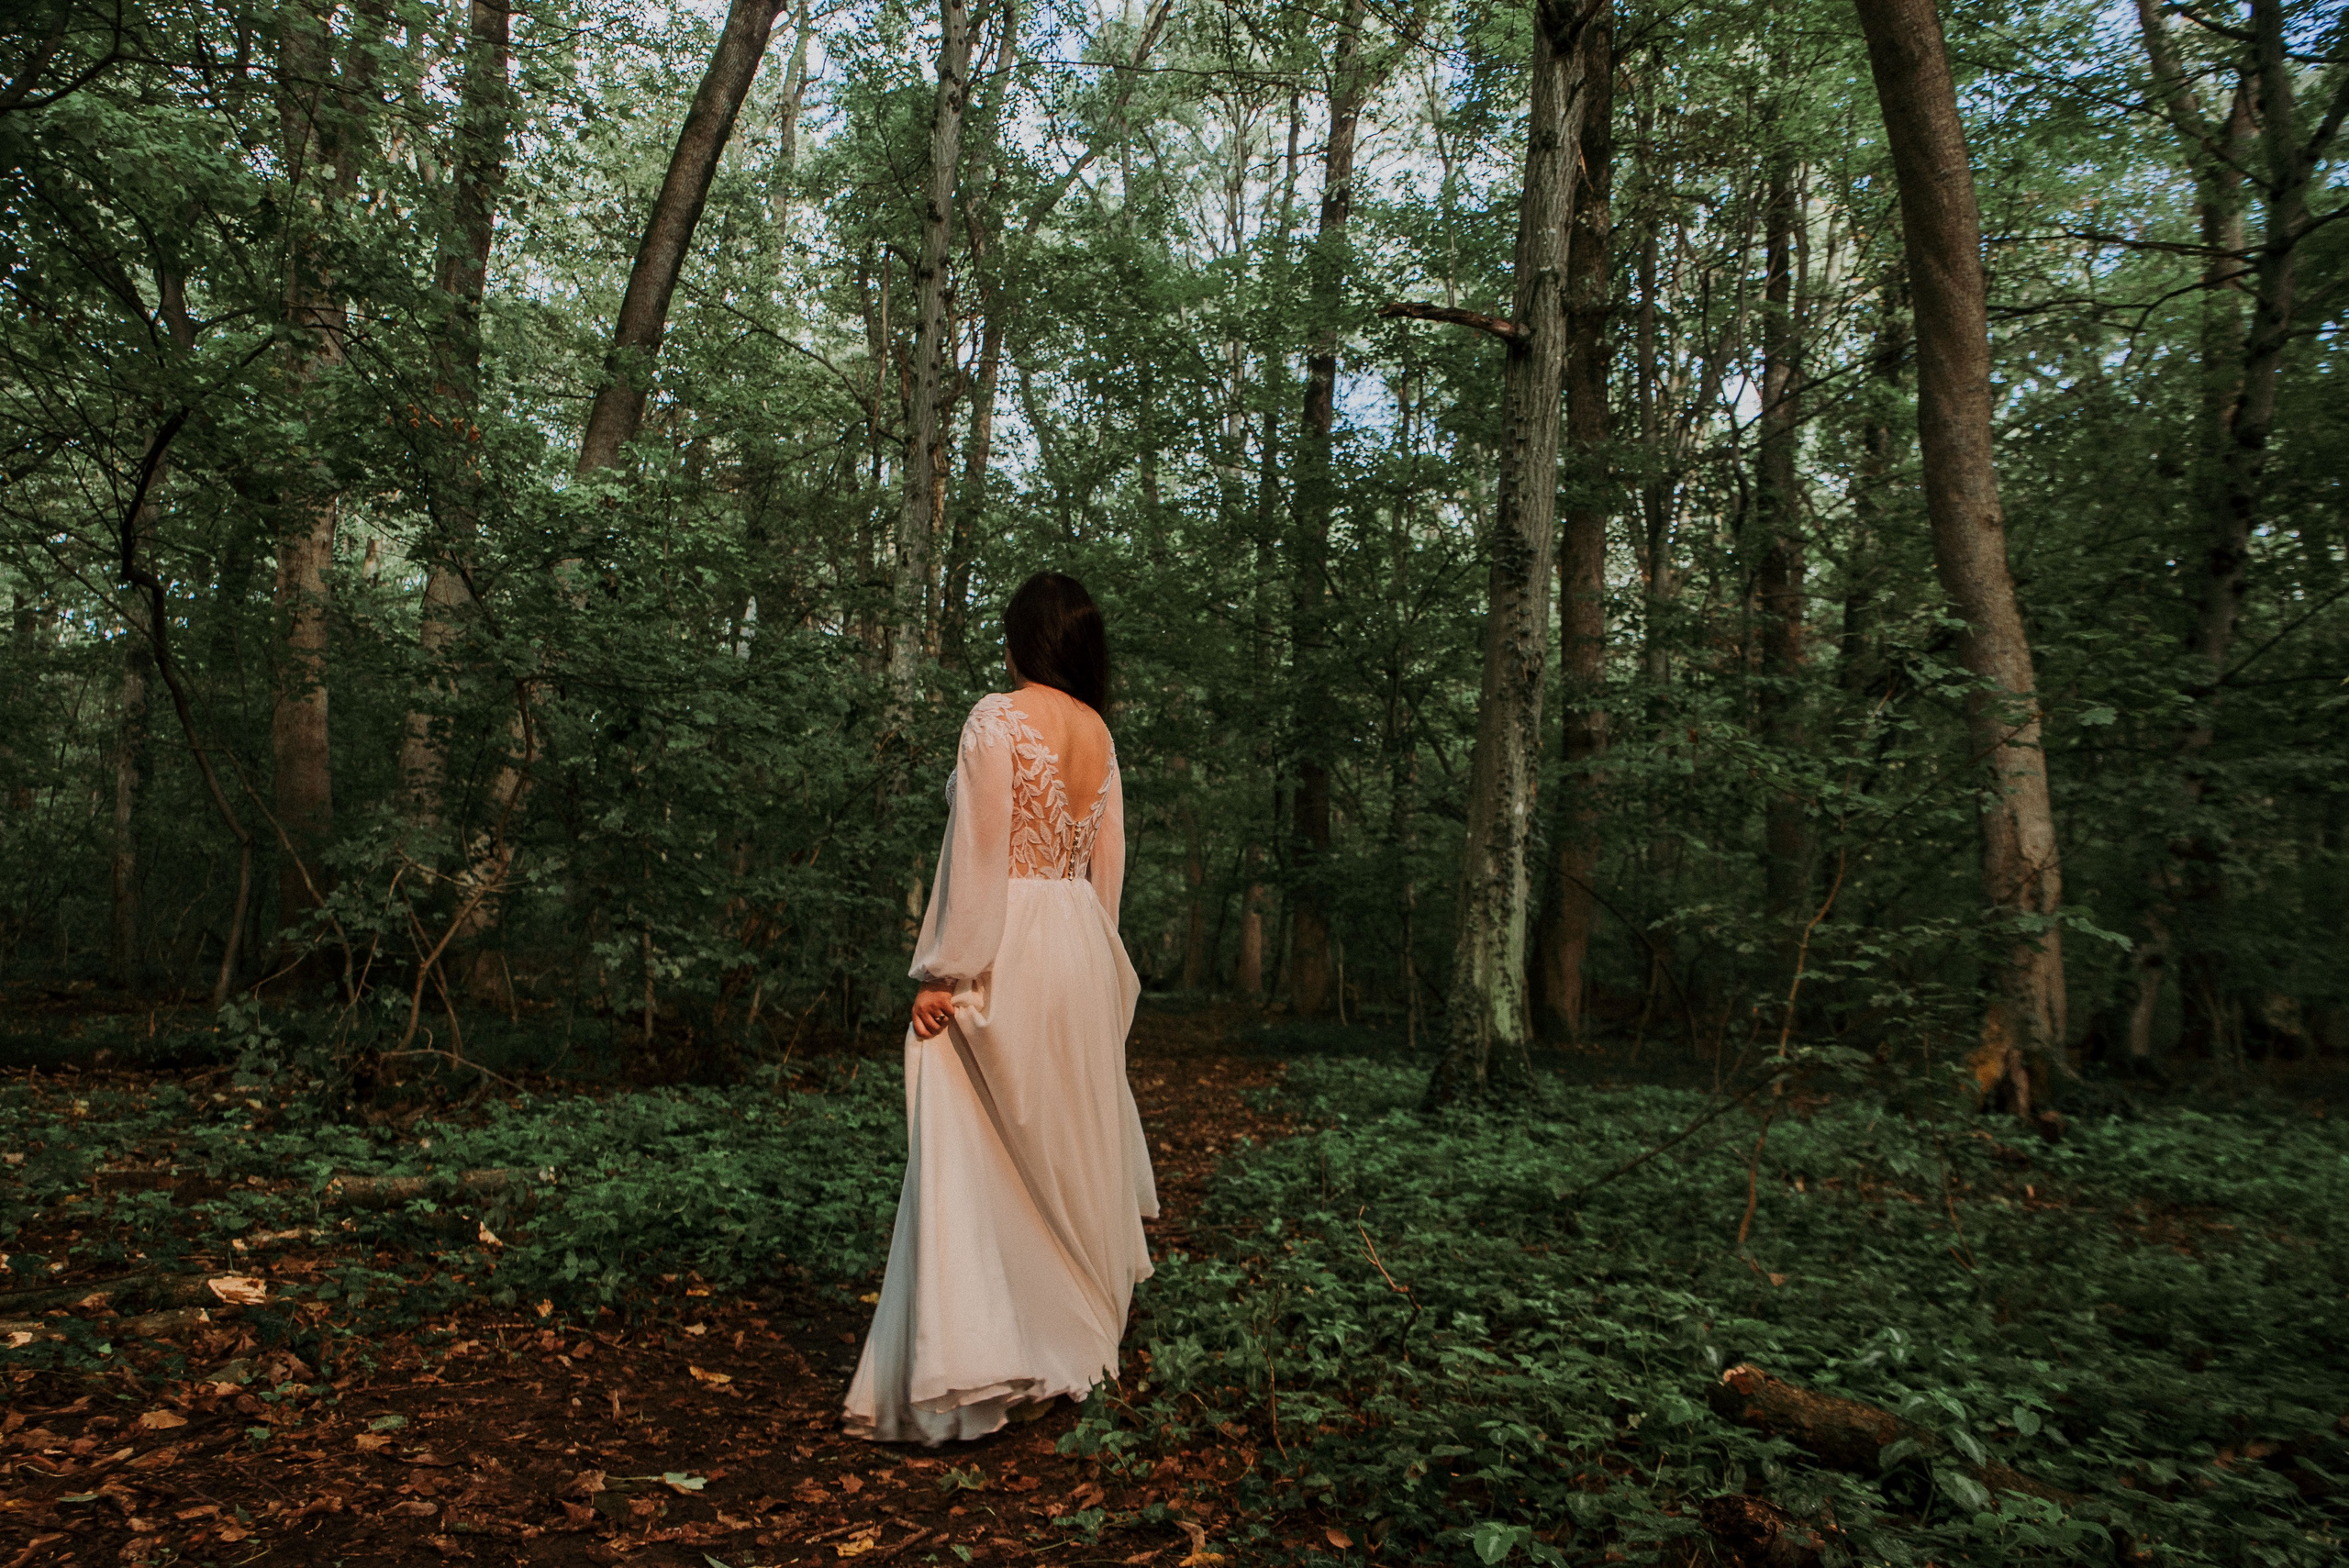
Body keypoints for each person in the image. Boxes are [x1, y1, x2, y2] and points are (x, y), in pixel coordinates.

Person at [841, 572, 1159, 1445]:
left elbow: (977, 851)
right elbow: (1109, 873)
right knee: (1061, 1139)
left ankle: (991, 1349)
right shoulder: (1099, 733)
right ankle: (1072, 1337)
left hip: (1009, 939)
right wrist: (1096, 957)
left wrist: (946, 971)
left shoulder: (997, 716)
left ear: (1023, 640)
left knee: (981, 1139)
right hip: (1081, 944)